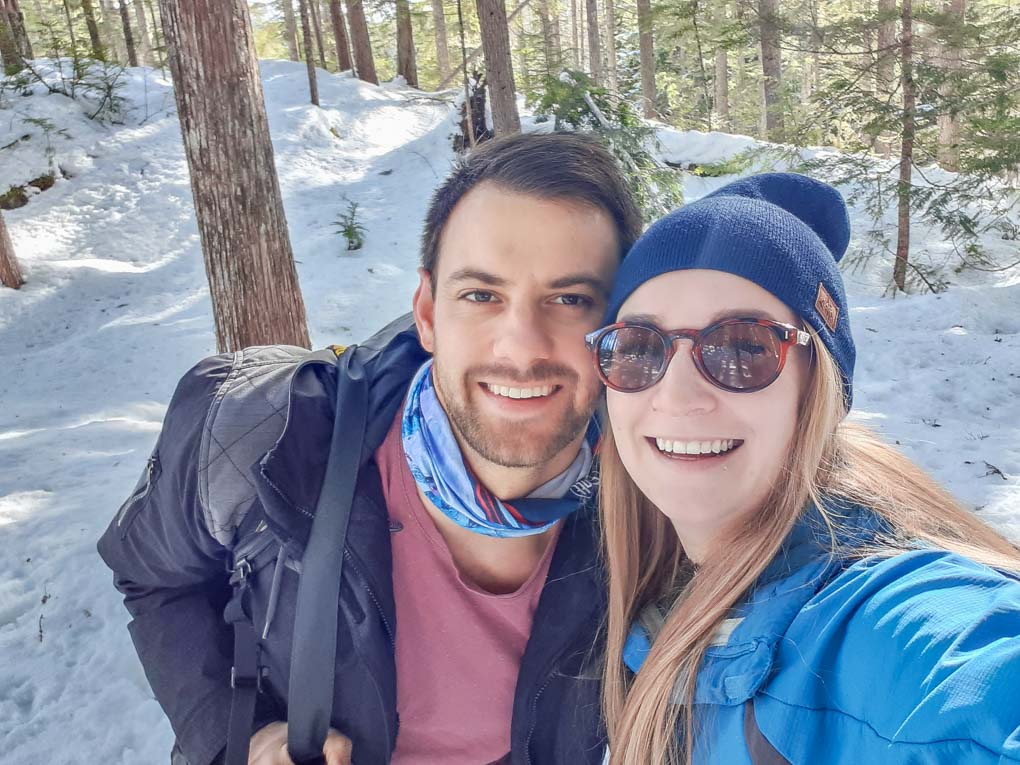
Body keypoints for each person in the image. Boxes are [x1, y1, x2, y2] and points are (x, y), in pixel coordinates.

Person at [98, 132, 643, 765]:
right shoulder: (270, 435)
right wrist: (237, 736)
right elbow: (154, 579)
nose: (521, 347)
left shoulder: (656, 487)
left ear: (619, 328)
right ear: (428, 312)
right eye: (480, 295)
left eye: (571, 299)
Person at [586, 173, 1020, 765]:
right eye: (639, 348)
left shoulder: (882, 628)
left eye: (743, 347)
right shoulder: (655, 591)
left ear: (817, 391)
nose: (677, 395)